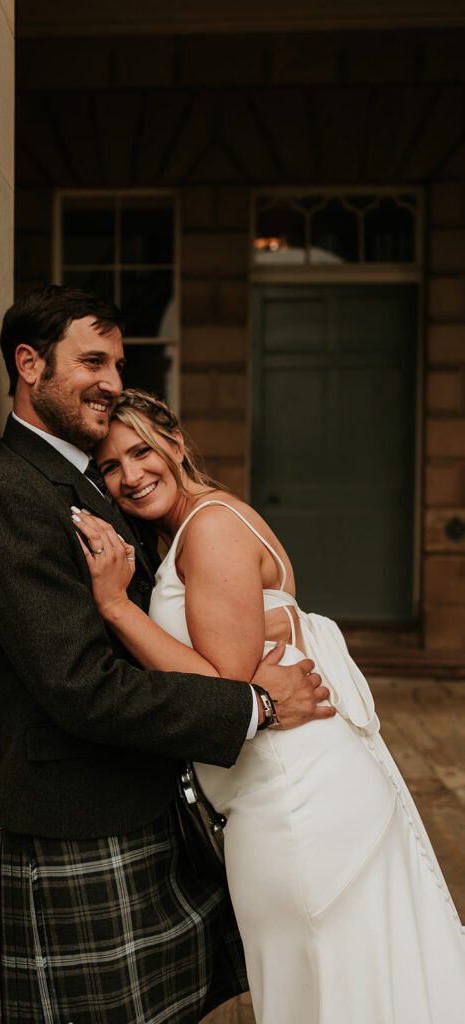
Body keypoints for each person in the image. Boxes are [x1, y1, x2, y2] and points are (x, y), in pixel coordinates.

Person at [0, 285, 332, 1024]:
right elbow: (80, 685)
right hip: (72, 821)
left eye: (117, 363)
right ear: (28, 364)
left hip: (133, 802)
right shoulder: (12, 490)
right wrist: (253, 704)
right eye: (91, 361)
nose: (111, 380)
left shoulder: (78, 474)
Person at [73, 387, 465, 1024]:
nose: (130, 477)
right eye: (110, 467)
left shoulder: (211, 527)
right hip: (284, 791)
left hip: (293, 801)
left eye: (141, 451)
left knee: (324, 989)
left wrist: (116, 607)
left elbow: (223, 692)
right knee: (334, 982)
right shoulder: (197, 529)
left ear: (175, 444)